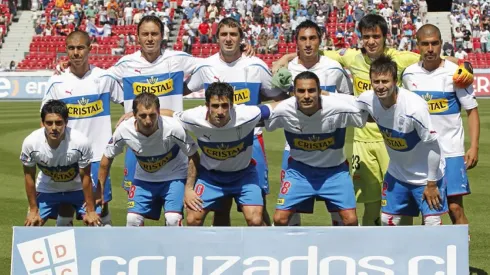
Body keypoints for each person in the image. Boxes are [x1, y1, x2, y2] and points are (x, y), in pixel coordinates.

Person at [272, 14, 473, 226]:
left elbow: (430, 56)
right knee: (369, 203)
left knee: (399, 206)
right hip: (362, 141)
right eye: (366, 36)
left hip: (393, 142)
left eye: (376, 36)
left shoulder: (401, 57)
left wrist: (462, 63)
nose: (371, 41)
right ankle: (372, 250)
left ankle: (404, 251)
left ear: (385, 37)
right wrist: (284, 59)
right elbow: (313, 49)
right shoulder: (351, 57)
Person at [185, 17, 288, 226]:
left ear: (241, 38)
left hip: (251, 141)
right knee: (220, 207)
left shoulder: (256, 65)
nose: (229, 39)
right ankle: (223, 254)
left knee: (258, 205)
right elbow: (182, 90)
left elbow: (276, 96)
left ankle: (264, 250)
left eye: (233, 34)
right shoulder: (206, 66)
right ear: (217, 38)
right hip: (216, 141)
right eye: (224, 34)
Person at [273, 19, 353, 226]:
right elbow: (277, 104)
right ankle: (294, 252)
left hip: (332, 150)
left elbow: (348, 100)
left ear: (320, 40)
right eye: (303, 39)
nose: (308, 44)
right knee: (289, 214)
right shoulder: (286, 71)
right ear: (296, 43)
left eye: (312, 38)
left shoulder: (334, 69)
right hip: (295, 149)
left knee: (341, 215)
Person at [42, 30, 124, 227]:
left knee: (98, 208)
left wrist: (127, 117)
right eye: (71, 48)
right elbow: (44, 118)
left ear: (90, 49)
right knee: (65, 208)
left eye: (80, 47)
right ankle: (66, 254)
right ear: (66, 51)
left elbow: (128, 103)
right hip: (67, 156)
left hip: (97, 156)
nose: (76, 52)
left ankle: (104, 252)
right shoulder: (57, 81)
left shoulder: (104, 78)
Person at [169, 82, 278, 226]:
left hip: (243, 176)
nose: (220, 111)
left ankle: (262, 248)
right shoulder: (193, 117)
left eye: (225, 106)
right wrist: (134, 114)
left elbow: (275, 107)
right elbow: (170, 114)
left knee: (256, 220)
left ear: (232, 105)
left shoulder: (246, 115)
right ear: (207, 105)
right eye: (215, 106)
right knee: (192, 219)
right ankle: (198, 249)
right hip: (210, 178)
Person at [402, 25, 479, 227]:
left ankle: (461, 257)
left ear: (441, 45)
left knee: (455, 208)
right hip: (422, 153)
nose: (430, 48)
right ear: (417, 45)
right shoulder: (408, 75)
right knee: (428, 209)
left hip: (451, 151)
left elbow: (472, 110)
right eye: (425, 44)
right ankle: (431, 255)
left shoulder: (456, 74)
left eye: (434, 43)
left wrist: (474, 146)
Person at [356, 55, 447, 226]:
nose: (380, 86)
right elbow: (351, 107)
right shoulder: (367, 99)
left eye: (385, 81)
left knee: (433, 224)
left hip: (425, 177)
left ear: (395, 81)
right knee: (387, 221)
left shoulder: (415, 108)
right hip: (397, 174)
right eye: (376, 81)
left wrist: (432, 183)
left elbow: (433, 146)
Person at [266, 71, 364, 226]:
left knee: (350, 220)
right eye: (301, 91)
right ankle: (286, 249)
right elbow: (256, 117)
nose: (306, 96)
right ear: (293, 93)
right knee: (279, 219)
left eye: (311, 90)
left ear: (320, 92)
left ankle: (344, 250)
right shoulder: (283, 110)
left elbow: (367, 112)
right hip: (299, 173)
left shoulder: (338, 109)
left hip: (335, 172)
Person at [98, 93, 199, 226]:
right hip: (144, 179)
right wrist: (99, 193)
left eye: (152, 115)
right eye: (142, 115)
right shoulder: (124, 130)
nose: (148, 121)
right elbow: (106, 160)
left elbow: (194, 155)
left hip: (174, 177)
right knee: (132, 220)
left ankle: (174, 247)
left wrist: (189, 187)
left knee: (173, 219)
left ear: (158, 112)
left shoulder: (173, 128)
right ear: (134, 114)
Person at [21, 100, 100, 227]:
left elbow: (85, 176)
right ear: (43, 123)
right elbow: (29, 176)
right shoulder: (31, 143)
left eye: (58, 123)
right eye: (49, 123)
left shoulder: (80, 142)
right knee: (32, 224)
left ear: (66, 122)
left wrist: (90, 210)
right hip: (47, 189)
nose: (54, 128)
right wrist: (33, 210)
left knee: (95, 223)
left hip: (78, 188)